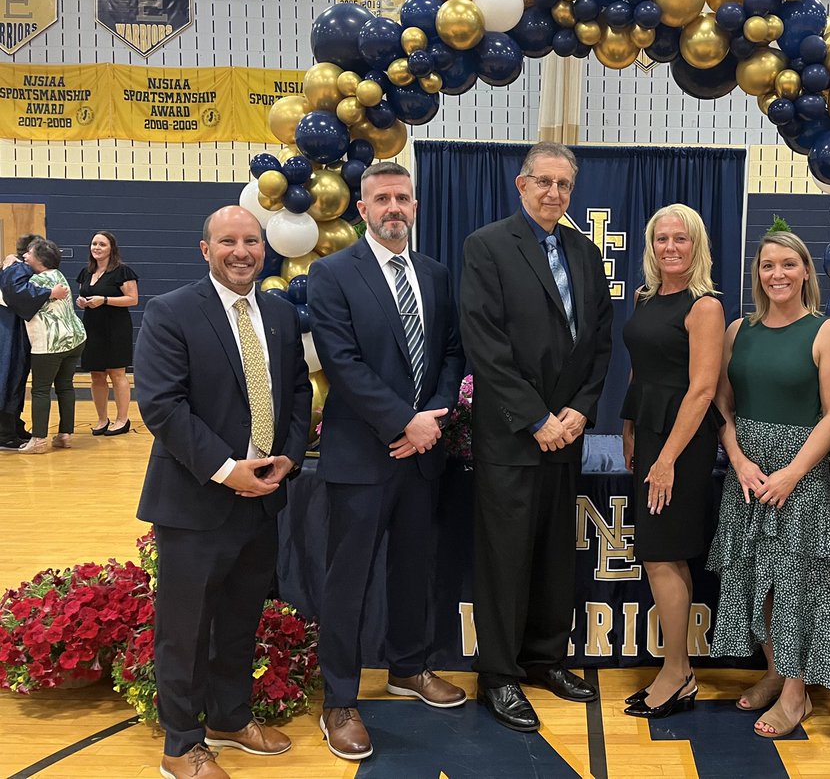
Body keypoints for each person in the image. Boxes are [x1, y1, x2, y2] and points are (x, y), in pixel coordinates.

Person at [135, 206, 311, 779]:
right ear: (205, 249)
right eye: (228, 241)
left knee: (239, 618)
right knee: (185, 629)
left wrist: (288, 455)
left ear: (265, 248)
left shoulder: (280, 314)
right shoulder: (171, 311)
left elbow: (297, 392)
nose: (242, 251)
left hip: (263, 498)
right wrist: (226, 468)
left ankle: (230, 718)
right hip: (195, 500)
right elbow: (162, 405)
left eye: (251, 241)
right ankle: (181, 744)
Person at [308, 162, 466, 761]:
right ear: (363, 209)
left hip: (422, 456)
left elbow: (451, 354)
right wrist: (405, 421)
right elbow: (341, 362)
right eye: (382, 199)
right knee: (348, 582)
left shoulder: (435, 274)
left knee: (412, 569)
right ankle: (339, 700)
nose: (393, 207)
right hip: (362, 456)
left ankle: (408, 667)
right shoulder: (332, 273)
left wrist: (434, 420)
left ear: (415, 207)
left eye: (402, 198)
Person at [460, 141, 613, 732]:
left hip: (566, 433)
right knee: (505, 559)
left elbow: (599, 340)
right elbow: (485, 344)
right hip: (513, 435)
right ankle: (499, 674)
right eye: (544, 181)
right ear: (521, 185)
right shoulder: (488, 246)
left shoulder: (584, 251)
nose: (554, 193)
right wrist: (535, 418)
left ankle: (545, 658)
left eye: (563, 184)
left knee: (554, 554)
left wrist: (579, 410)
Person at [707, 229, 830, 737]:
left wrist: (793, 473)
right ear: (758, 274)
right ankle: (774, 670)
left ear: (806, 270)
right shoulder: (737, 330)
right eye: (768, 265)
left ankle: (796, 694)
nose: (778, 274)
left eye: (788, 264)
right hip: (747, 473)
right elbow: (722, 405)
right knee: (756, 578)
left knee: (795, 585)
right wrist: (738, 460)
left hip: (798, 474)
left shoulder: (826, 332)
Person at [620, 204, 724, 719]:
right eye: (661, 239)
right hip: (650, 430)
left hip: (682, 440)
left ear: (696, 245)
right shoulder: (645, 296)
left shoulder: (704, 306)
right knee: (659, 552)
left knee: (663, 553)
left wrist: (665, 460)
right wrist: (629, 425)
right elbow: (640, 369)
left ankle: (677, 672)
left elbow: (702, 390)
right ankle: (677, 670)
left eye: (680, 239)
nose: (670, 247)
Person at [6, 239, 86, 454]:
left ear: (40, 259)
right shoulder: (58, 275)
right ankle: (65, 435)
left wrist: (10, 266)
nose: (24, 256)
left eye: (29, 253)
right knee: (65, 387)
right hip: (75, 338)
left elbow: (13, 294)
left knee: (41, 390)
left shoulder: (36, 281)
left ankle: (39, 440)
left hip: (50, 343)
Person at [0, 235, 63, 449]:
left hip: (13, 330)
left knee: (15, 379)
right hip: (9, 331)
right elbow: (16, 293)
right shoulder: (18, 268)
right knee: (9, 377)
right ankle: (5, 433)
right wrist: (50, 293)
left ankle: (13, 426)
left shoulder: (19, 267)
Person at [76, 230, 139, 435]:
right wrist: (82, 302)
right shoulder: (86, 272)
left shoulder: (123, 271)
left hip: (116, 328)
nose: (97, 247)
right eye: (94, 243)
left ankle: (123, 419)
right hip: (92, 327)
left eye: (102, 244)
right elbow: (84, 293)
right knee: (96, 374)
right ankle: (102, 419)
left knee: (117, 373)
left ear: (111, 248)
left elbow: (133, 299)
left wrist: (104, 300)